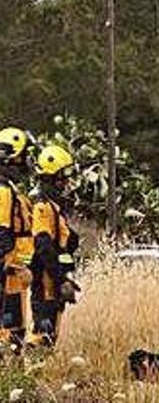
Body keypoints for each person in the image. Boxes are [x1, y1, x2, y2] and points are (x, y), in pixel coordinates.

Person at [27, 144, 79, 348]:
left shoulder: (54, 208)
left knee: (51, 333)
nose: (66, 183)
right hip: (46, 279)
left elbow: (63, 244)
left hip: (55, 278)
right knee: (42, 331)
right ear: (51, 179)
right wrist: (60, 280)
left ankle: (40, 371)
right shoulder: (42, 207)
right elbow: (43, 246)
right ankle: (30, 372)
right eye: (62, 178)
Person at [0, 128, 34, 353]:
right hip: (8, 270)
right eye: (22, 157)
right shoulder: (3, 190)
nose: (23, 164)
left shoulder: (7, 188)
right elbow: (1, 231)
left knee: (14, 326)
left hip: (14, 270)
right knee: (9, 329)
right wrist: (7, 266)